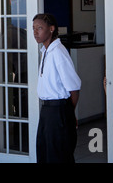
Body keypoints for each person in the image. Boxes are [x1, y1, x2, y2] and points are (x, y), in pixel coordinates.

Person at [32, 13, 81, 163]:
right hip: (47, 111)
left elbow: (74, 88)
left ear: (51, 29)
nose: (35, 32)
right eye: (33, 28)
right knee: (44, 153)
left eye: (39, 28)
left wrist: (68, 114)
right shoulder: (46, 51)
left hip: (58, 111)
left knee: (58, 156)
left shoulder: (58, 52)